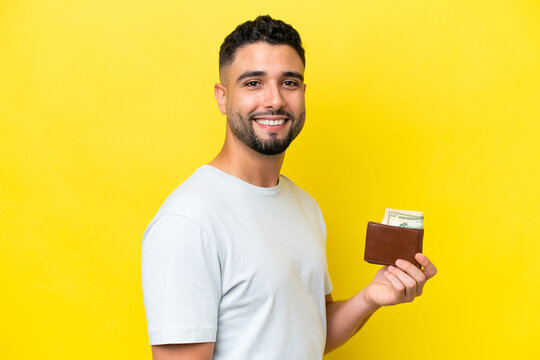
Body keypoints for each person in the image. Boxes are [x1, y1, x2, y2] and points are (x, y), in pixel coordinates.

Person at [141, 15, 437, 360]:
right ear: (223, 98)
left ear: (303, 94)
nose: (275, 100)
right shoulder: (189, 221)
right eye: (253, 83)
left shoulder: (305, 206)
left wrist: (370, 297)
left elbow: (311, 333)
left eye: (289, 83)